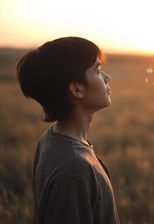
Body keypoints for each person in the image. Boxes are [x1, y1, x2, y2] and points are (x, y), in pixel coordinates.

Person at [16, 37, 120, 224]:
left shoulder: (52, 138)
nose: (107, 77)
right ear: (77, 89)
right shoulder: (72, 169)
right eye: (97, 71)